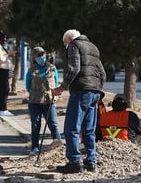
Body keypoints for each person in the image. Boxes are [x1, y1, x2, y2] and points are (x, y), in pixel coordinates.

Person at [52, 29, 106, 173]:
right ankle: (91, 161)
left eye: (65, 45)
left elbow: (74, 68)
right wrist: (98, 90)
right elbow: (102, 73)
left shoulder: (74, 45)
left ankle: (74, 162)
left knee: (71, 128)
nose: (66, 48)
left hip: (81, 91)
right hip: (94, 93)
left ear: (70, 39)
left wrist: (62, 87)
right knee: (89, 129)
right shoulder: (93, 47)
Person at [25, 46, 62, 154]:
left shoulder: (52, 68)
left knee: (53, 123)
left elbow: (55, 83)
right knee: (35, 125)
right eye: (39, 55)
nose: (42, 57)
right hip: (34, 102)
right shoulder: (31, 71)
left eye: (43, 54)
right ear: (34, 58)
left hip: (49, 101)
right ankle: (35, 148)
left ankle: (59, 145)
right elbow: (28, 86)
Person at [0, 30, 14, 116]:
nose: (5, 39)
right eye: (4, 37)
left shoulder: (0, 46)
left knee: (4, 89)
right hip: (1, 70)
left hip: (5, 70)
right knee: (4, 89)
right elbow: (1, 59)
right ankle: (3, 109)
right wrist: (9, 54)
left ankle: (2, 109)